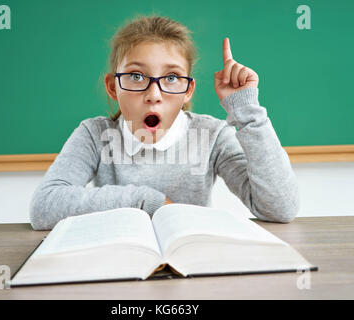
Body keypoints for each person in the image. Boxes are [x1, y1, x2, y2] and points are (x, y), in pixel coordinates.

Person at [29, 14, 299, 230]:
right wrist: (146, 201)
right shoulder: (95, 134)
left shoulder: (212, 135)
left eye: (171, 78)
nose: (153, 95)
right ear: (113, 87)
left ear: (187, 91)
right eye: (136, 76)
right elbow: (45, 207)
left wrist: (247, 110)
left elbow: (280, 209)